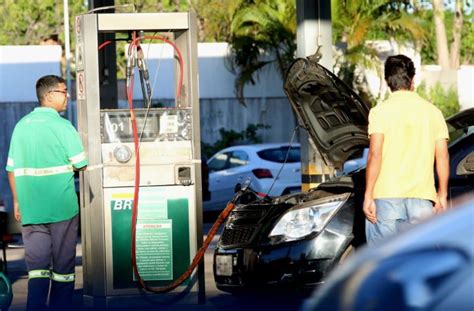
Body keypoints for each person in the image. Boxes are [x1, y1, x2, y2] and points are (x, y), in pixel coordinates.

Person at [6, 75, 87, 310]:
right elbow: (81, 163)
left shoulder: (21, 126)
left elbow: (11, 168)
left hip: (31, 208)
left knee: (37, 269)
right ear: (50, 95)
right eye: (64, 91)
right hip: (61, 208)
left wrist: (18, 201)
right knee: (63, 270)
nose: (67, 95)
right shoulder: (63, 126)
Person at [363, 55, 449, 246]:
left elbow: (375, 154)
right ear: (413, 80)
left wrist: (368, 195)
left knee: (383, 260)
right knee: (419, 262)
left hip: (386, 196)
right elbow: (442, 156)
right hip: (422, 197)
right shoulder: (433, 112)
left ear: (387, 82)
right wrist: (442, 195)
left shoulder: (380, 112)